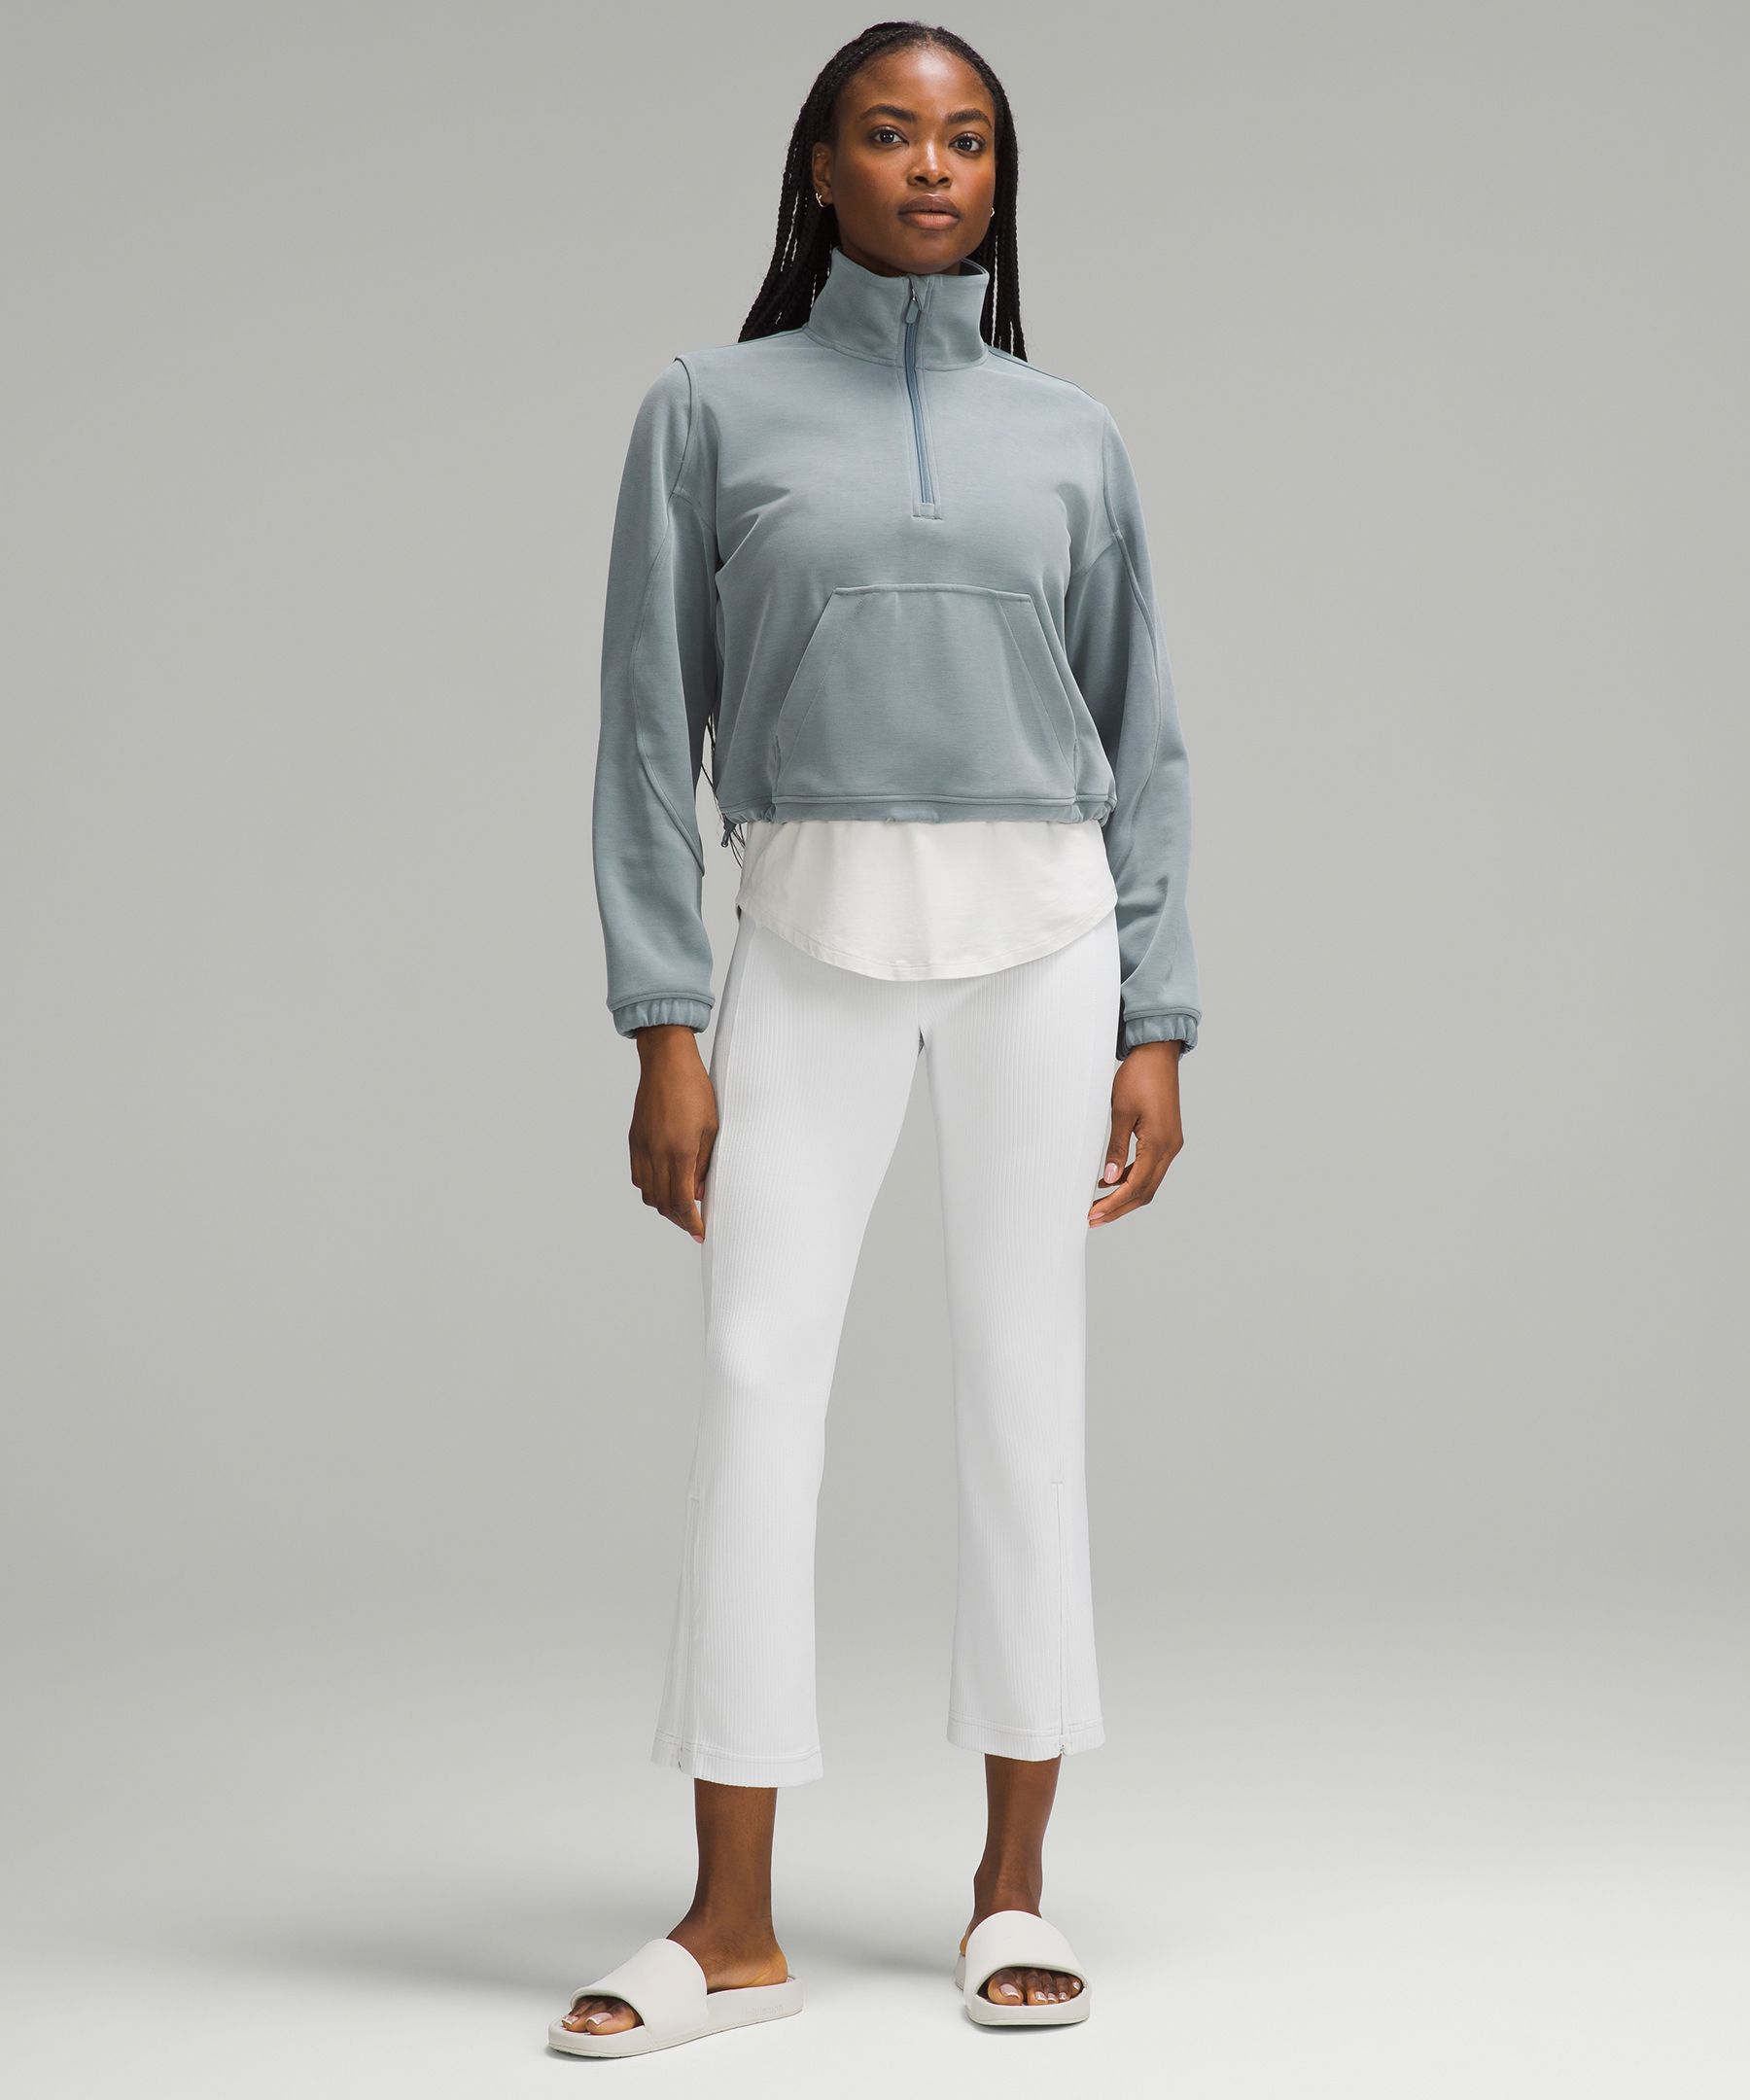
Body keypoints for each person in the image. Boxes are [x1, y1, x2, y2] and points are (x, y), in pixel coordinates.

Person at [554, 21, 1200, 2058]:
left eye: (968, 139)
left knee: (1025, 1394)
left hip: (1045, 942)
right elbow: (646, 735)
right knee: (759, 1389)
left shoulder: (1073, 436)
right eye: (892, 133)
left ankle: (1012, 1888)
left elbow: (1147, 740)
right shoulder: (708, 409)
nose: (933, 167)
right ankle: (729, 1921)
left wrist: (1158, 1019)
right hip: (809, 930)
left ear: (1000, 178)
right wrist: (663, 1018)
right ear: (818, 169)